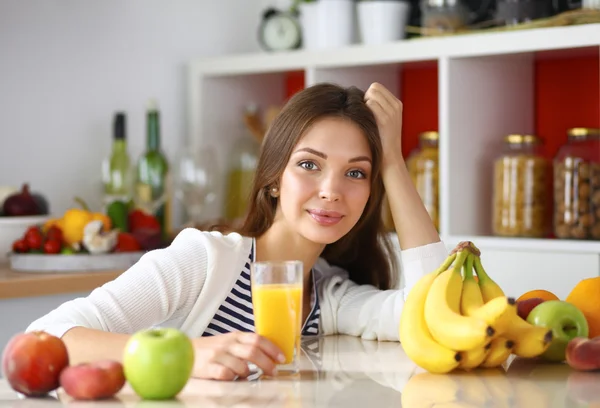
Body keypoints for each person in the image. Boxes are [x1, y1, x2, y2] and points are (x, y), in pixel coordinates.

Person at [25, 82, 448, 381]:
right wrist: (187, 354)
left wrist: (392, 160)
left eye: (356, 173)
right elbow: (45, 336)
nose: (331, 191)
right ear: (273, 178)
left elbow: (434, 315)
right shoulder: (205, 259)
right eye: (309, 164)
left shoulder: (329, 298)